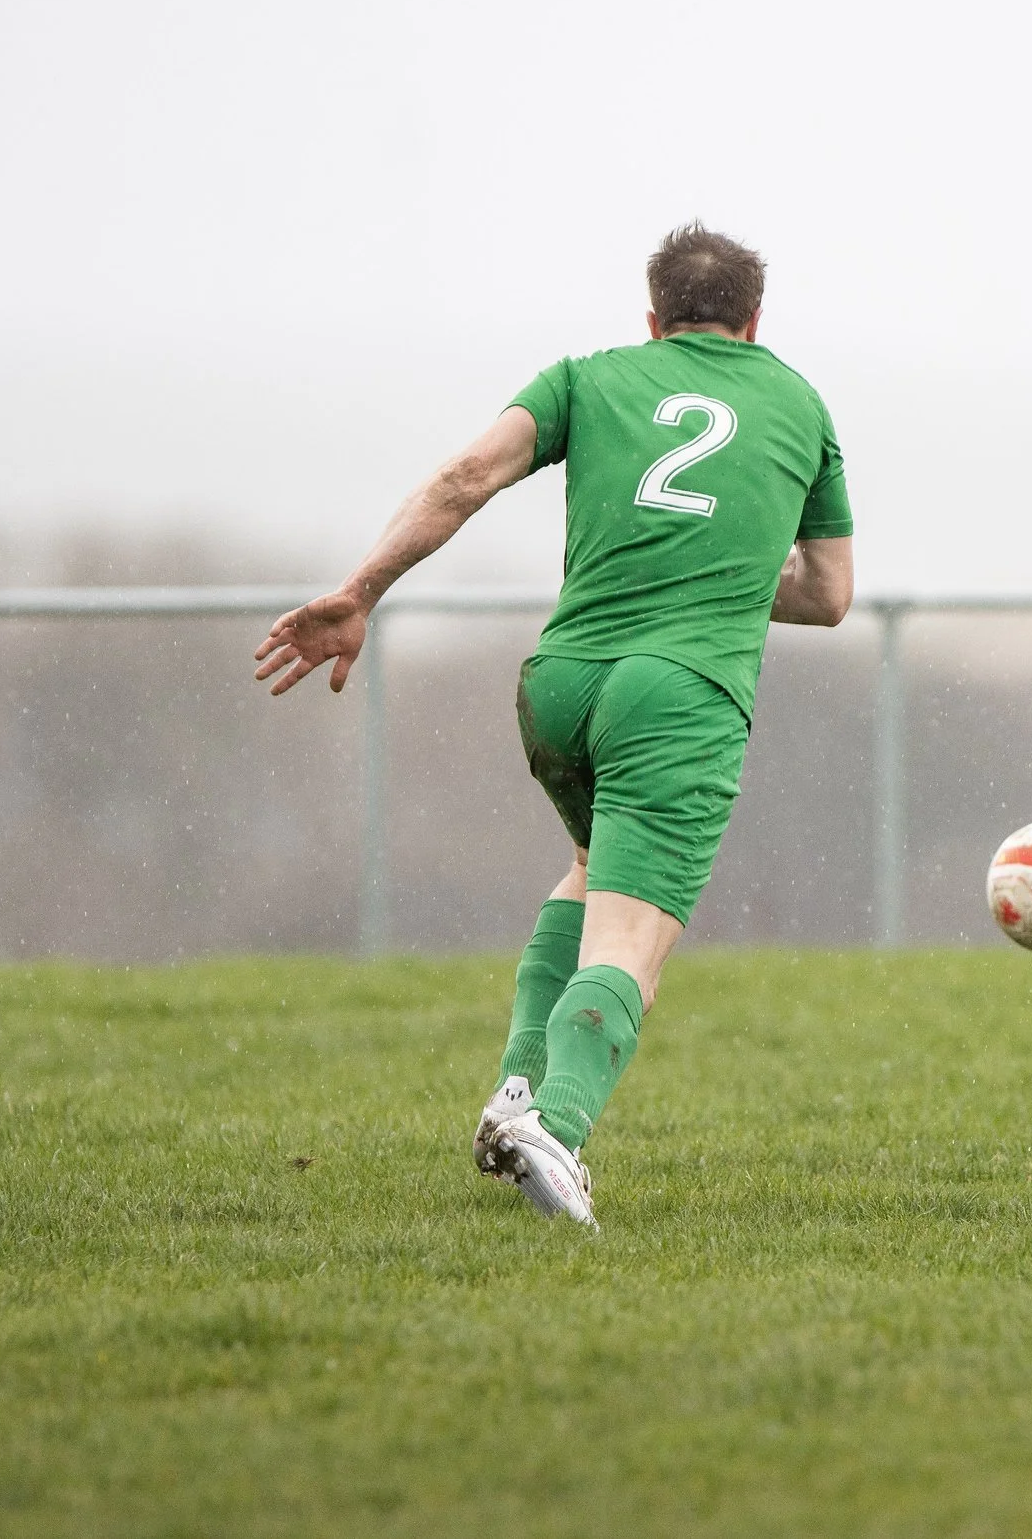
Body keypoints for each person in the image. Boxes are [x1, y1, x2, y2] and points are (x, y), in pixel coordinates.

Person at [253, 224, 854, 1227]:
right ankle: (557, 1127)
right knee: (633, 942)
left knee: (588, 867)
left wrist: (360, 592)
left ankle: (520, 1090)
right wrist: (727, 573)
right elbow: (828, 594)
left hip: (561, 684)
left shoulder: (586, 377)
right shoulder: (797, 400)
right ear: (754, 324)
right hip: (678, 696)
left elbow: (463, 478)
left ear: (654, 318)